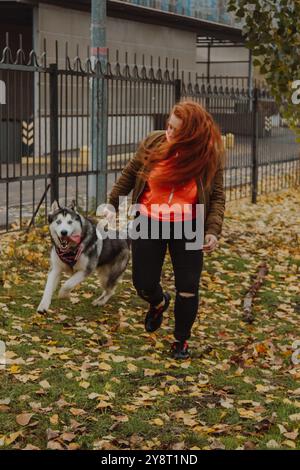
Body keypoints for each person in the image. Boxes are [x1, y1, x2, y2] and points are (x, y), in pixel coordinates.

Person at [106, 100, 225, 359]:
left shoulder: (209, 155)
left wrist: (213, 230)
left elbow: (216, 195)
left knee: (188, 286)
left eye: (176, 131)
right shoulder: (154, 142)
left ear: (192, 134)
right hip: (148, 220)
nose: (169, 133)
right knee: (143, 283)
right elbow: (130, 173)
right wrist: (112, 203)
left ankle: (181, 340)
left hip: (189, 225)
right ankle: (158, 302)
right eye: (168, 126)